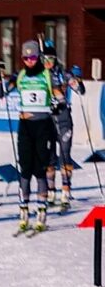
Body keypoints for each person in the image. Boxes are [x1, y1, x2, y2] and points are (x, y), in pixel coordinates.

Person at [0, 40, 66, 234]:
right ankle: (24, 211)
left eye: (33, 57)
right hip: (25, 127)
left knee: (40, 169)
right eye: (26, 58)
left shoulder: (47, 75)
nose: (29, 61)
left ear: (39, 57)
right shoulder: (19, 76)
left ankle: (42, 211)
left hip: (43, 126)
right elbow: (0, 93)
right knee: (25, 169)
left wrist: (57, 105)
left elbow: (61, 98)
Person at [43, 43, 85, 211]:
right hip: (47, 120)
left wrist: (77, 80)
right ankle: (51, 191)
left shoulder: (63, 74)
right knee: (49, 157)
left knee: (65, 155)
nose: (48, 62)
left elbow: (80, 90)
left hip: (64, 119)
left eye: (51, 59)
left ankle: (66, 191)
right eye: (45, 59)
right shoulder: (39, 75)